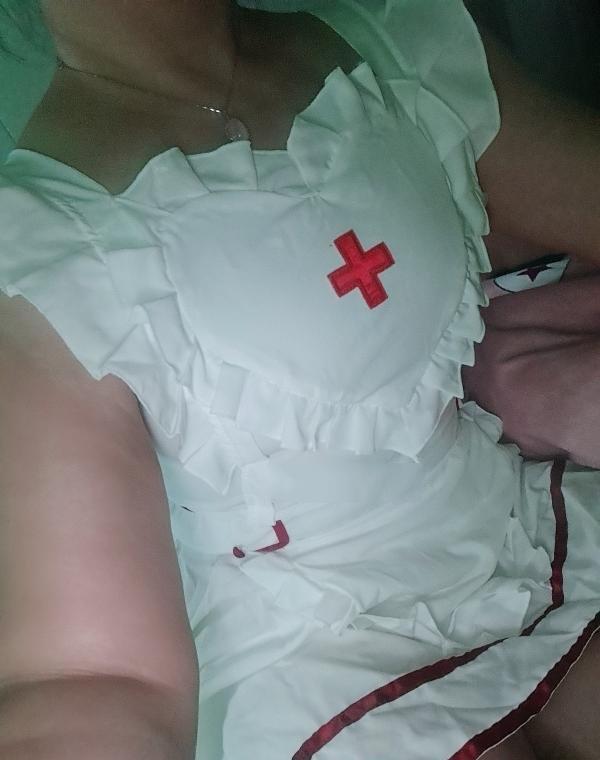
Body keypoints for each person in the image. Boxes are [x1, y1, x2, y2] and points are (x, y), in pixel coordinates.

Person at [0, 1, 599, 758]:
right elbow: (91, 676)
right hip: (312, 669)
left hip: (535, 540)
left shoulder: (400, 38)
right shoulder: (37, 249)